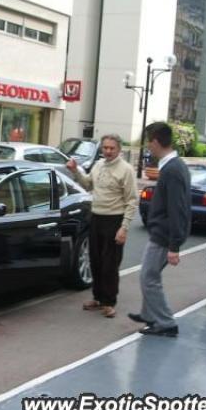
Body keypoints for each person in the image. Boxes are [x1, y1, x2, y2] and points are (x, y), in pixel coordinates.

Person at [128, 122, 191, 337]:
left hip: (164, 236)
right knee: (149, 274)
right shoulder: (174, 165)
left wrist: (174, 245)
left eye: (149, 142)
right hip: (162, 233)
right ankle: (148, 314)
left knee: (148, 277)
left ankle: (166, 323)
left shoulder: (172, 169)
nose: (148, 147)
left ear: (155, 141)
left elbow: (177, 208)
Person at [66, 134, 137, 318]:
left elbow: (131, 201)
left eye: (112, 148)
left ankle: (109, 301)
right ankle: (97, 298)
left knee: (110, 264)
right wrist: (75, 171)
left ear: (119, 149)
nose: (108, 151)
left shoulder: (126, 170)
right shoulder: (98, 165)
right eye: (105, 148)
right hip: (96, 218)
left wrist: (124, 227)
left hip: (114, 220)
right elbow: (88, 184)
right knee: (95, 260)